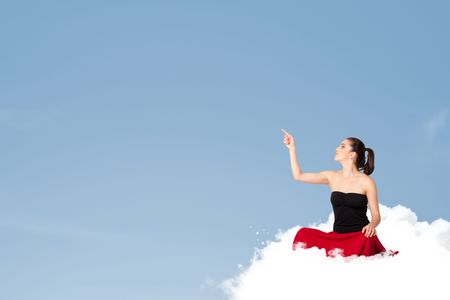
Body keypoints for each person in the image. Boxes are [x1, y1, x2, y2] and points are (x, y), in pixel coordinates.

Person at [282, 129, 399, 258]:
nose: (337, 148)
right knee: (303, 234)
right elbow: (299, 176)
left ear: (352, 154)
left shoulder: (367, 182)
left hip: (359, 237)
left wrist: (372, 225)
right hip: (337, 237)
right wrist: (292, 148)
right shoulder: (331, 176)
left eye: (342, 146)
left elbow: (376, 215)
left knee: (366, 242)